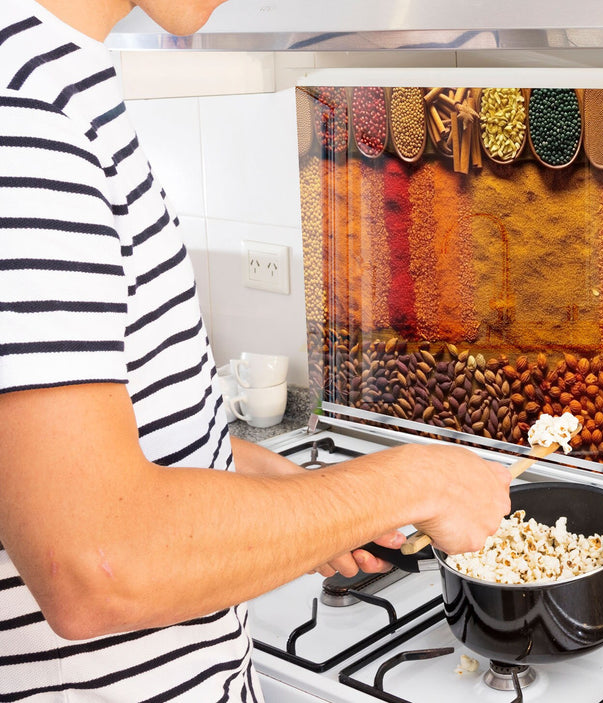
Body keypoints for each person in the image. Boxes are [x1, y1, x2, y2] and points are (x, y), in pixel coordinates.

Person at [0, 0, 513, 699]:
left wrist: (296, 498)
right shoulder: (24, 117)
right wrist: (416, 480)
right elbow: (97, 563)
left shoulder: (56, 80)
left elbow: (80, 453)